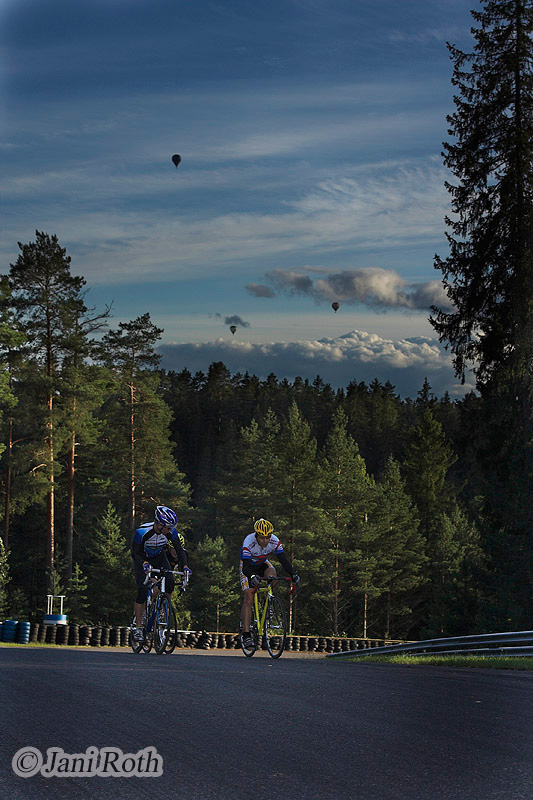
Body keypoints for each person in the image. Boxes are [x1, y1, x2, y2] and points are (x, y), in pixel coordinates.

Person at [130, 505, 191, 641]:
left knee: (170, 581)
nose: (170, 531)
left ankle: (161, 611)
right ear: (159, 524)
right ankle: (138, 626)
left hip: (159, 557)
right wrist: (144, 563)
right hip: (142, 559)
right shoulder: (142, 532)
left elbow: (180, 551)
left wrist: (185, 567)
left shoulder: (171, 533)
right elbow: (135, 553)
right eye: (168, 528)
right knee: (142, 588)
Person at [239, 518, 299, 649]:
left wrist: (293, 574)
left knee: (273, 577)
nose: (265, 541)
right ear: (256, 535)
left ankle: (268, 603)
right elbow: (246, 567)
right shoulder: (249, 542)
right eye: (262, 537)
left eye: (267, 537)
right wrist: (252, 576)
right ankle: (246, 634)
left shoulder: (275, 541)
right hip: (248, 567)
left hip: (262, 564)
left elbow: (283, 560)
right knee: (249, 597)